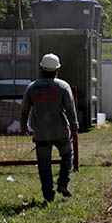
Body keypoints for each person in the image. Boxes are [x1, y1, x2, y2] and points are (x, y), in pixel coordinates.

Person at [20, 53, 79, 203]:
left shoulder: (32, 88)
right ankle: (62, 184)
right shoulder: (63, 86)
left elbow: (24, 110)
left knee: (44, 165)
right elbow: (71, 111)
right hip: (60, 132)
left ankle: (48, 195)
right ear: (57, 71)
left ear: (41, 69)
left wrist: (24, 127)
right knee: (67, 154)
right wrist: (74, 128)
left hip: (41, 133)